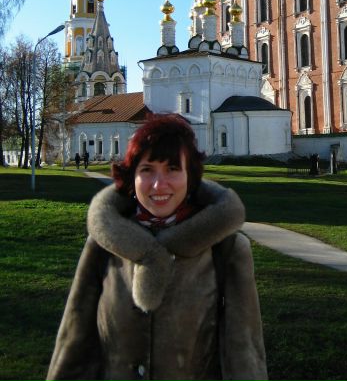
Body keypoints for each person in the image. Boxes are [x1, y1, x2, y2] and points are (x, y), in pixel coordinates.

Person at [46, 114, 268, 381]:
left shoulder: (225, 249)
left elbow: (244, 352)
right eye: (147, 169)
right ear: (132, 176)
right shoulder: (104, 244)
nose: (158, 184)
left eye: (172, 168)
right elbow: (74, 344)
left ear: (190, 176)